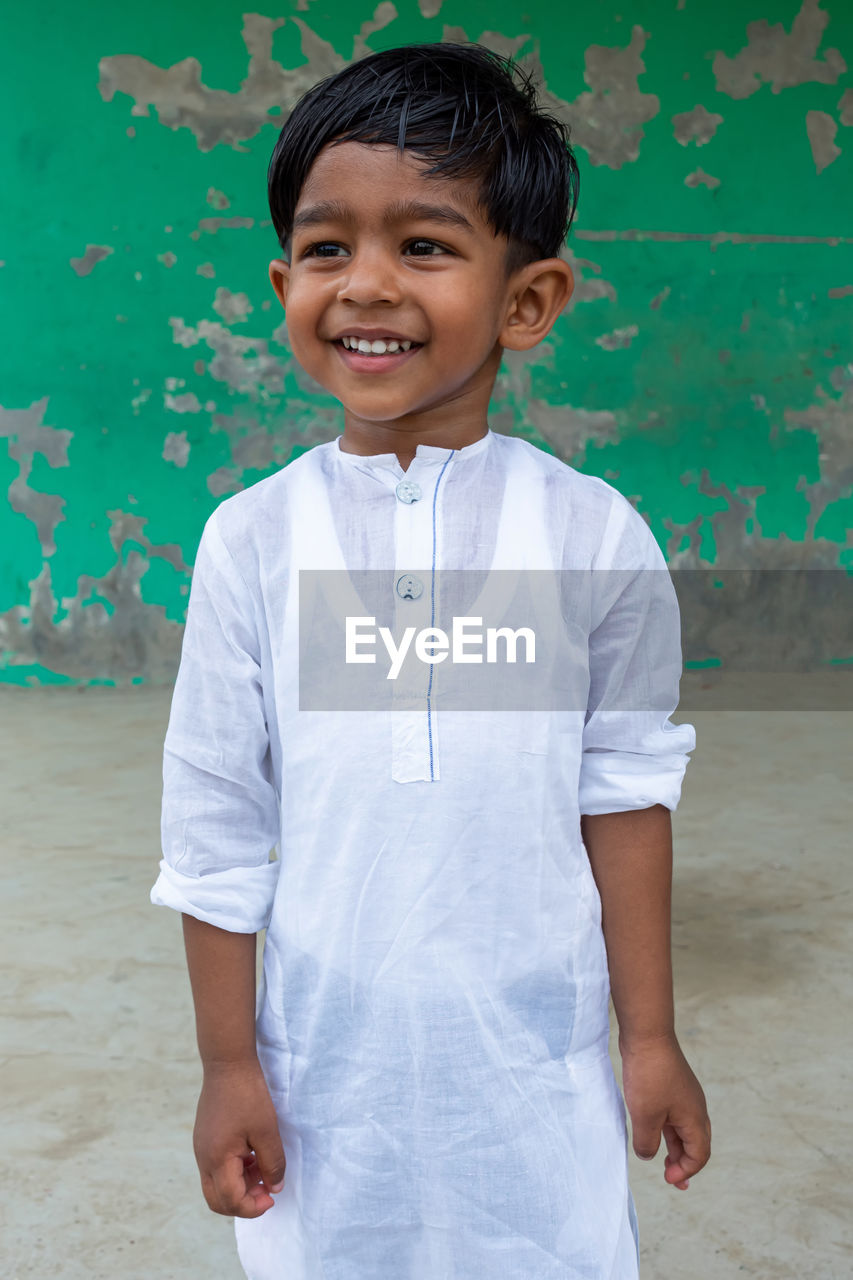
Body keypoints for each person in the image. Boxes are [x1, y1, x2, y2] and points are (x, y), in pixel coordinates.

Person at [151, 41, 711, 1280]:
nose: (364, 285)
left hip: (533, 1074)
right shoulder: (253, 542)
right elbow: (216, 826)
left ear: (527, 301)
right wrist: (230, 1064)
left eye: (423, 244)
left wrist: (651, 1034)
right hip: (324, 1070)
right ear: (282, 278)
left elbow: (621, 789)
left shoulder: (589, 536)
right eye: (326, 246)